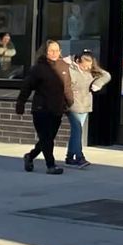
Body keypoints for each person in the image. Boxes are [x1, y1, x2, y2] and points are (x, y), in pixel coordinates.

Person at [13, 40, 71, 175]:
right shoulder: (38, 68)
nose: (54, 53)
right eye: (51, 50)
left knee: (48, 138)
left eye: (57, 50)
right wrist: (21, 102)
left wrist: (69, 102)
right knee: (46, 138)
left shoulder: (64, 66)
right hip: (41, 108)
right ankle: (51, 165)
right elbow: (27, 86)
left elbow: (67, 87)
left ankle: (30, 156)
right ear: (45, 52)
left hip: (57, 108)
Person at [64, 49, 109, 168]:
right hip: (71, 105)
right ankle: (79, 157)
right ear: (78, 61)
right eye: (85, 66)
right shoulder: (69, 69)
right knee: (77, 130)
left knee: (76, 133)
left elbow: (106, 75)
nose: (87, 69)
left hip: (85, 104)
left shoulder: (92, 70)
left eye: (89, 66)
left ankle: (69, 157)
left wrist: (97, 84)